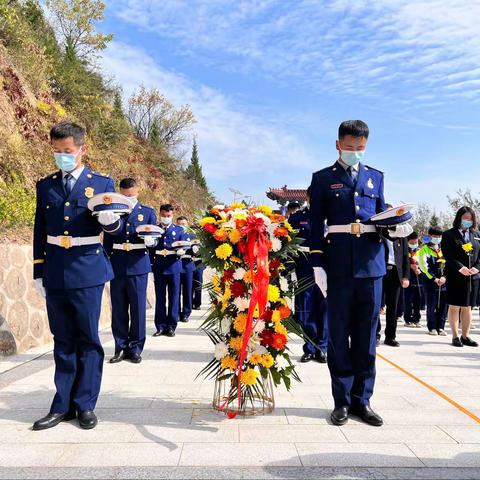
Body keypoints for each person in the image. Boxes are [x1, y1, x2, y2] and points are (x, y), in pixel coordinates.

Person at [309, 120, 412, 427]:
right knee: (339, 333)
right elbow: (316, 225)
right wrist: (317, 263)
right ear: (338, 144)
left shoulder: (375, 177)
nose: (355, 152)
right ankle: (341, 401)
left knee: (367, 336)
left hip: (371, 265)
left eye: (361, 148)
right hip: (338, 264)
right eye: (350, 147)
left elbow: (383, 216)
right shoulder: (323, 179)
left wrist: (395, 228)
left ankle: (362, 400)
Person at [32, 121, 123, 430]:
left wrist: (110, 223)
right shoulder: (45, 185)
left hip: (87, 269)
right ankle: (62, 405)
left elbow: (113, 229)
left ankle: (85, 405)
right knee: (62, 340)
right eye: (56, 152)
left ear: (83, 149)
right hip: (56, 269)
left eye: (67, 151)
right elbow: (39, 230)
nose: (62, 157)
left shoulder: (101, 183)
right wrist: (38, 270)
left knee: (88, 339)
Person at [103, 178, 157, 364]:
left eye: (130, 194)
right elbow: (108, 240)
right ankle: (120, 347)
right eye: (124, 194)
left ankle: (135, 348)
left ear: (137, 191)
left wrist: (152, 243)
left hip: (138, 265)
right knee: (118, 309)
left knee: (138, 309)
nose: (127, 197)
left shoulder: (148, 212)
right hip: (117, 264)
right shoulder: (114, 211)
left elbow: (154, 236)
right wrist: (106, 260)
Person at [289, 186, 328, 364]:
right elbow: (289, 245)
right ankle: (309, 347)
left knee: (325, 308)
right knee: (306, 308)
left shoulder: (333, 218)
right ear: (308, 197)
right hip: (305, 267)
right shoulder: (297, 218)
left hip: (327, 267)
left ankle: (323, 348)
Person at [441, 206, 480, 347]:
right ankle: (455, 336)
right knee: (455, 306)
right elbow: (448, 255)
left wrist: (476, 268)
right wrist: (460, 268)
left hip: (472, 277)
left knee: (467, 307)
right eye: (465, 218)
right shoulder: (448, 235)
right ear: (459, 218)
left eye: (470, 219)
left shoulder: (477, 235)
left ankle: (465, 335)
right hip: (455, 275)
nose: (467, 221)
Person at [151, 204, 189, 337]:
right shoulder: (154, 229)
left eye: (169, 216)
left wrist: (181, 251)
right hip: (159, 266)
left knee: (174, 297)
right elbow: (151, 248)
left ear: (172, 215)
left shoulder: (179, 230)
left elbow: (184, 245)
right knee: (160, 297)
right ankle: (160, 326)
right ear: (159, 214)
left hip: (174, 266)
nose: (166, 218)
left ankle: (171, 326)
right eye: (163, 215)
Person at [377, 232, 410, 347]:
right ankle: (376, 334)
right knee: (377, 305)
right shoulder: (379, 233)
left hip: (395, 273)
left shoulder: (402, 236)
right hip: (380, 271)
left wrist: (405, 276)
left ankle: (390, 336)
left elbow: (406, 256)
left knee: (393, 307)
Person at [418, 227, 448, 336]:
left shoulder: (443, 249)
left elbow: (448, 264)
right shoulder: (424, 250)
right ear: (430, 236)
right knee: (431, 305)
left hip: (444, 282)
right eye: (435, 236)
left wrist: (444, 277)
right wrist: (434, 278)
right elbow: (424, 267)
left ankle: (441, 326)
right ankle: (432, 327)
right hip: (430, 282)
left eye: (439, 236)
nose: (438, 238)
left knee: (443, 305)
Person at [177, 216, 195, 323]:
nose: (182, 226)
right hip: (177, 264)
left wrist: (195, 250)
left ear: (187, 225)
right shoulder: (175, 235)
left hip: (188, 265)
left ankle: (186, 313)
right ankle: (177, 312)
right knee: (176, 291)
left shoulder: (192, 235)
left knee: (188, 291)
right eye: (179, 224)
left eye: (184, 224)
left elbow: (197, 251)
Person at [404, 232, 424, 328]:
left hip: (419, 279)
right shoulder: (404, 251)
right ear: (408, 241)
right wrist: (410, 266)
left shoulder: (420, 251)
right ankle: (407, 319)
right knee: (408, 300)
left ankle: (417, 319)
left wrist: (420, 269)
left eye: (416, 242)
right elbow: (402, 264)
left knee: (418, 300)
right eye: (412, 242)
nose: (414, 243)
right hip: (408, 278)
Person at [191, 237, 205, 310]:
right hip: (189, 262)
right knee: (190, 284)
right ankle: (189, 303)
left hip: (199, 263)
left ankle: (197, 303)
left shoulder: (201, 234)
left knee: (198, 284)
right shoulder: (187, 233)